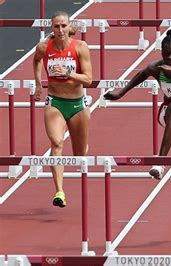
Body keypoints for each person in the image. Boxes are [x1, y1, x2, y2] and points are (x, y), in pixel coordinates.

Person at [104, 28, 171, 223]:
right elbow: (140, 75)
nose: (170, 57)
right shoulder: (156, 67)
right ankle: (160, 163)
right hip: (168, 112)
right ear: (161, 54)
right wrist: (120, 93)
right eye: (167, 54)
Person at [33, 11, 93, 207]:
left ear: (69, 27)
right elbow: (35, 60)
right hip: (55, 102)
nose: (60, 30)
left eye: (64, 26)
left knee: (79, 155)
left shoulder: (81, 47)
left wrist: (69, 73)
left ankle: (82, 149)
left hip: (77, 105)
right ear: (52, 28)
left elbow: (89, 79)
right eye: (56, 26)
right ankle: (59, 191)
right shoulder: (44, 47)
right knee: (56, 143)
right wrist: (38, 83)